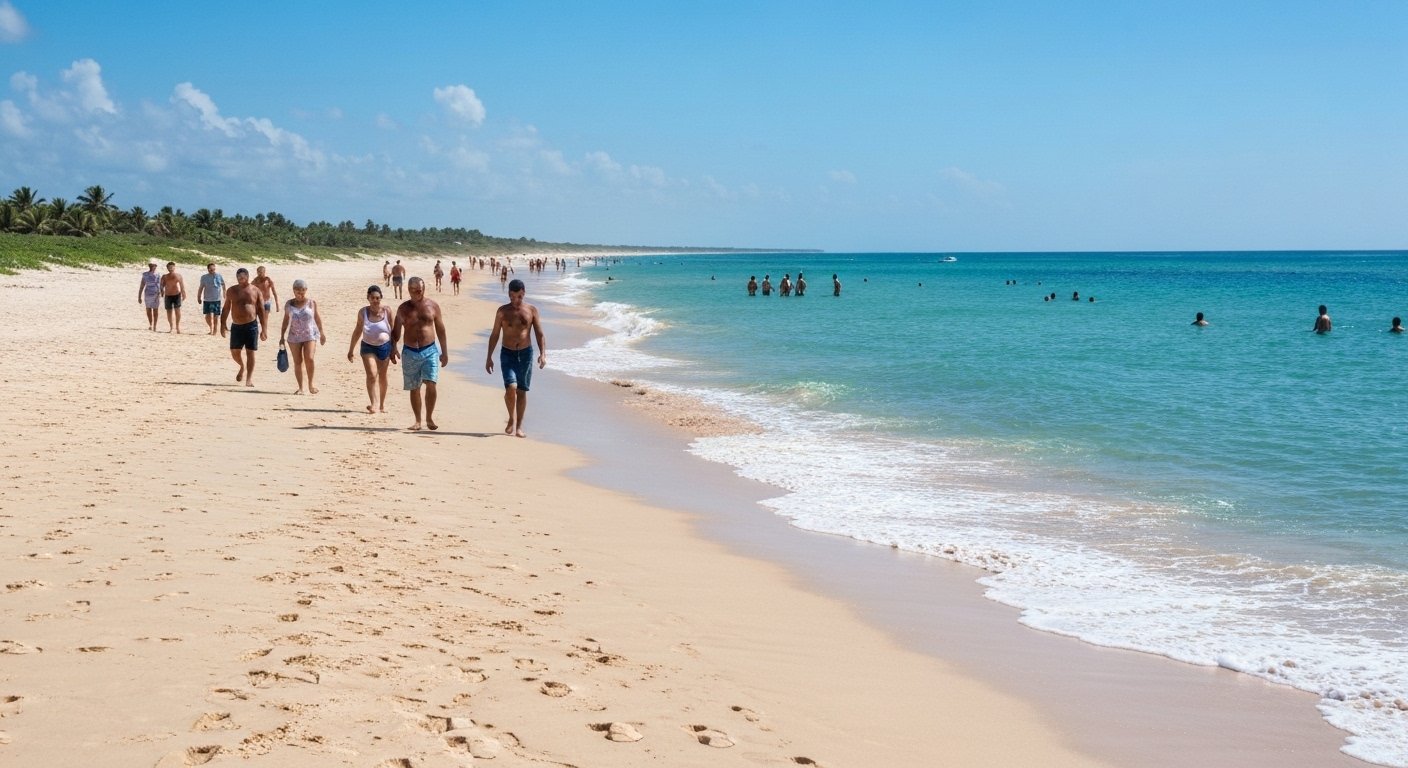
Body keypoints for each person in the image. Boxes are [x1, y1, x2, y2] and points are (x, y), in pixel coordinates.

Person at [486, 278, 547, 438]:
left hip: (526, 354)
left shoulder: (531, 310)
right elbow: (494, 335)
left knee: (521, 391)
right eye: (512, 297)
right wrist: (489, 357)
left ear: (523, 293)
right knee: (510, 388)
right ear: (509, 294)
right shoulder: (502, 311)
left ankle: (519, 426)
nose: (515, 301)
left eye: (519, 297)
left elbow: (539, 333)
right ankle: (511, 419)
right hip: (507, 354)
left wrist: (543, 354)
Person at [389, 277, 447, 431]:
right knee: (414, 388)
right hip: (410, 351)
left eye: (420, 289)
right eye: (414, 289)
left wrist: (444, 352)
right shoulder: (403, 309)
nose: (417, 292)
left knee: (431, 383)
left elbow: (440, 329)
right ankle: (418, 420)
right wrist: (393, 348)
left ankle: (429, 417)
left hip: (430, 350)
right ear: (409, 290)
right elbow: (396, 332)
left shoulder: (433, 306)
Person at [348, 284, 394, 413]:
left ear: (381, 298)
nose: (375, 300)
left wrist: (394, 348)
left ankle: (382, 405)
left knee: (383, 376)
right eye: (372, 298)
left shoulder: (387, 311)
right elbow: (357, 330)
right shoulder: (363, 312)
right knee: (372, 375)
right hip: (368, 347)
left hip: (385, 347)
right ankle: (374, 403)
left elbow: (394, 330)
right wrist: (351, 350)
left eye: (378, 298)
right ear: (368, 298)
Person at [220, 268, 269, 386]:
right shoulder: (231, 290)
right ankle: (242, 366)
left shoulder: (255, 290)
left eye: (243, 276)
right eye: (238, 277)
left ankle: (249, 379)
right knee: (234, 352)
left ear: (247, 276)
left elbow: (261, 310)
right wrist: (222, 324)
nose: (240, 279)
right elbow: (226, 307)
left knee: (250, 352)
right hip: (236, 325)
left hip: (251, 325)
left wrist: (264, 329)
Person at [279, 279, 326, 394]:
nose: (300, 293)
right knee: (298, 361)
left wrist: (322, 333)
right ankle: (300, 387)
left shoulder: (311, 303)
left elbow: (317, 318)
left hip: (310, 334)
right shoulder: (289, 304)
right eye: (298, 291)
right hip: (294, 336)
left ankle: (311, 384)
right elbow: (285, 321)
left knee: (309, 358)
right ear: (294, 291)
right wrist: (281, 337)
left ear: (306, 290)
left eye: (303, 291)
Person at [196, 262, 226, 335]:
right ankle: (211, 328)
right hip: (207, 299)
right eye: (211, 269)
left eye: (213, 268)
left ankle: (215, 331)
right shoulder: (204, 277)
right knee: (207, 317)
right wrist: (199, 297)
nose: (212, 270)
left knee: (216, 316)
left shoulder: (219, 276)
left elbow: (223, 284)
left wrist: (225, 293)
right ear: (208, 269)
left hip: (217, 299)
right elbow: (201, 288)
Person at [159, 261, 186, 333]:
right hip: (168, 295)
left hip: (176, 294)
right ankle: (171, 326)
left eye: (172, 267)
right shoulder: (164, 276)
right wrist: (161, 291)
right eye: (169, 267)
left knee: (177, 310)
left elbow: (182, 285)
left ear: (174, 267)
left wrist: (183, 293)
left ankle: (177, 326)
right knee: (169, 311)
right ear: (167, 268)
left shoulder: (178, 275)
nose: (170, 269)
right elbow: (162, 285)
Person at [137, 260, 161, 331]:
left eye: (154, 265)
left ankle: (155, 325)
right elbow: (142, 285)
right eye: (151, 265)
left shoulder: (158, 274)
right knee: (148, 309)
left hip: (156, 293)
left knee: (155, 310)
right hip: (147, 293)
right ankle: (150, 324)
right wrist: (139, 296)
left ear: (156, 266)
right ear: (149, 266)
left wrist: (161, 292)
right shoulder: (145, 274)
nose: (153, 267)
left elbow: (160, 285)